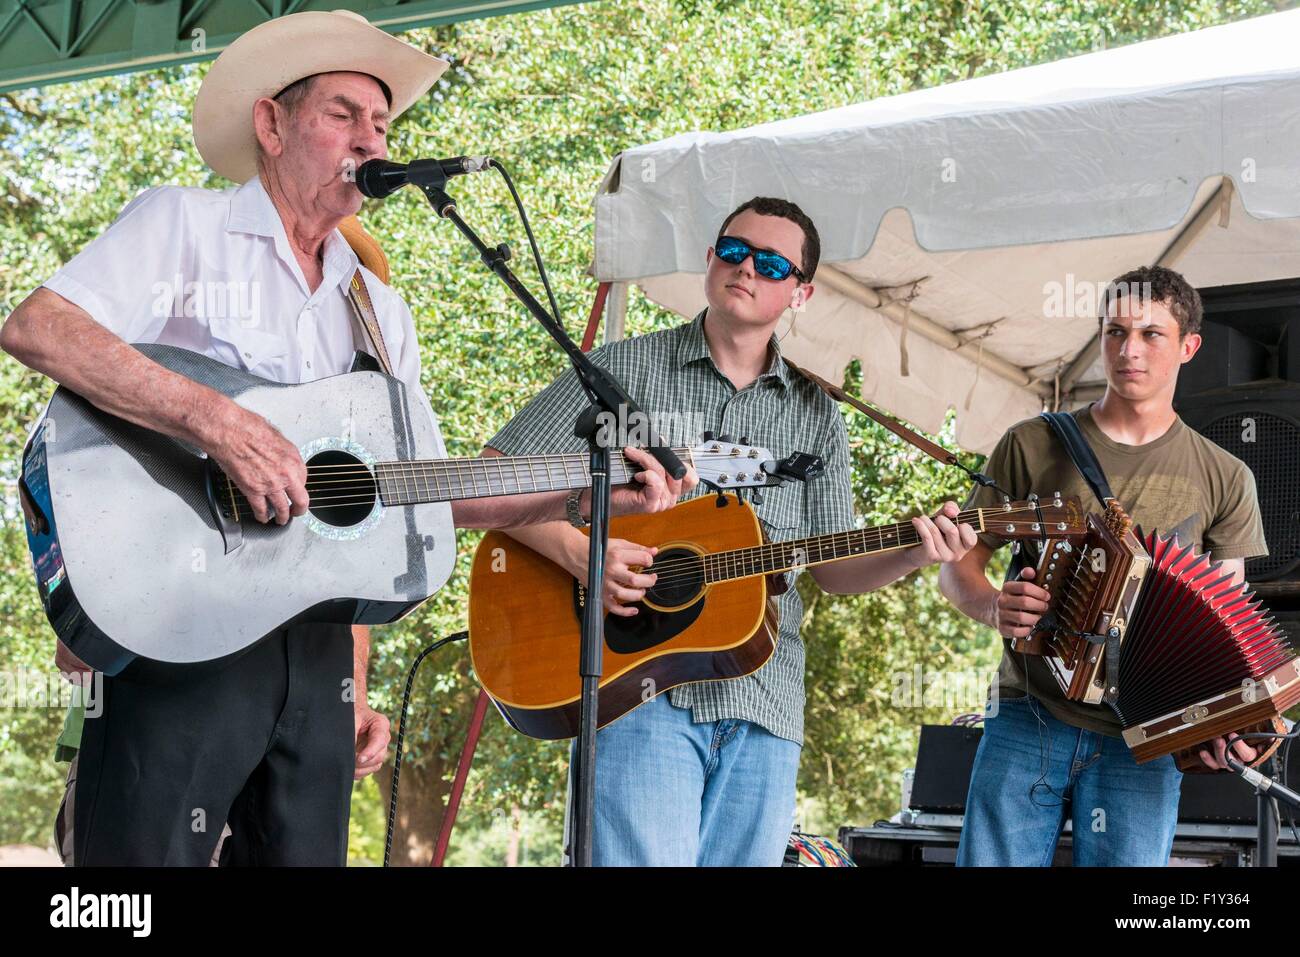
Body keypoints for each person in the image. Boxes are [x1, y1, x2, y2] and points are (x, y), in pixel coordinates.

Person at [2, 10, 691, 866]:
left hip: (317, 651)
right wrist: (219, 423)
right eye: (345, 114)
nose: (371, 136)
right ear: (273, 123)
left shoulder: (378, 308)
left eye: (383, 123)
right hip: (180, 624)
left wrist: (583, 489)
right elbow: (39, 326)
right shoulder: (182, 226)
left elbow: (383, 506)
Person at [484, 195, 979, 866]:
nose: (748, 268)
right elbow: (494, 473)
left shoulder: (818, 416)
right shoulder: (623, 372)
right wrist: (582, 554)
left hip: (765, 698)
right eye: (735, 250)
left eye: (773, 263)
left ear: (799, 293)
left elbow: (834, 567)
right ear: (711, 260)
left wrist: (916, 552)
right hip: (640, 689)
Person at [938, 265, 1269, 866]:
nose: (1128, 350)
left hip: (1142, 738)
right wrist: (992, 605)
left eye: (1151, 335)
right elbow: (956, 565)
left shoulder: (1227, 476)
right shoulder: (1032, 443)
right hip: (1029, 714)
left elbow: (1224, 630)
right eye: (1114, 332)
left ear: (1189, 346)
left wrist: (1224, 720)